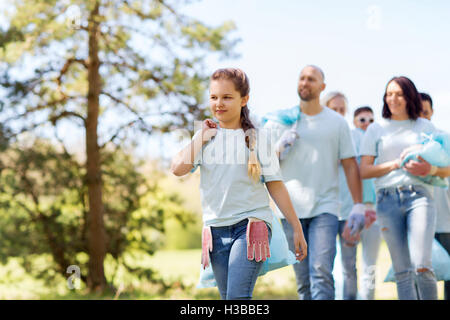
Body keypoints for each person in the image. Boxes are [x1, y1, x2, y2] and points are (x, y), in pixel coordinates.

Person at [170, 68, 307, 300]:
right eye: (214, 97)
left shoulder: (259, 138)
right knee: (228, 299)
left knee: (237, 299)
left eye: (227, 97)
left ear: (244, 99)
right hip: (215, 230)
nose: (219, 103)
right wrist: (200, 137)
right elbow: (178, 168)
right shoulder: (205, 137)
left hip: (251, 226)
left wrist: (296, 227)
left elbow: (275, 185)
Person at [263, 65, 364, 300]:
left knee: (321, 272)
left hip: (325, 207)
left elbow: (350, 164)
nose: (305, 83)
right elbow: (261, 164)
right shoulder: (282, 121)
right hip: (289, 210)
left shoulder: (336, 123)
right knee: (303, 281)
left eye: (311, 79)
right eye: (302, 78)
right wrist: (278, 149)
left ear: (322, 86)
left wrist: (359, 204)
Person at [359, 76, 444, 300]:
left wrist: (430, 169)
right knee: (402, 271)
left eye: (399, 94)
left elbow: (446, 169)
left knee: (422, 264)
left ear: (409, 97)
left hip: (420, 198)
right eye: (389, 94)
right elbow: (364, 171)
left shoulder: (425, 127)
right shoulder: (376, 129)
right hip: (386, 201)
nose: (393, 98)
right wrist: (396, 164)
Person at [324, 93, 381, 300]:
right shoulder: (350, 137)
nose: (367, 124)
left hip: (373, 212)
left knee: (371, 266)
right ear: (355, 121)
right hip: (349, 211)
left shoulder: (377, 143)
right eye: (362, 120)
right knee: (347, 265)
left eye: (371, 120)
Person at [419, 92, 450, 300]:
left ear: (432, 113)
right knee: (419, 273)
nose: (422, 117)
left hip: (446, 221)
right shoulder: (407, 139)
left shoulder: (443, 138)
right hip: (419, 221)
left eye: (426, 112)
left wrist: (431, 170)